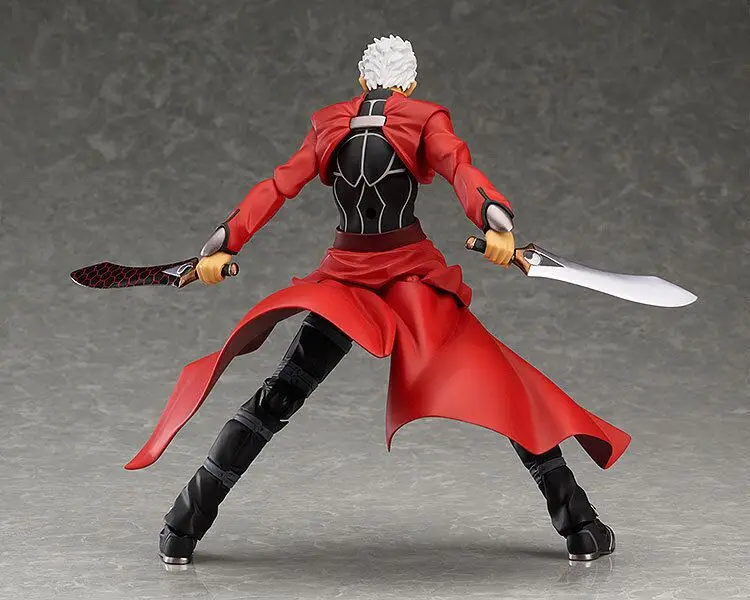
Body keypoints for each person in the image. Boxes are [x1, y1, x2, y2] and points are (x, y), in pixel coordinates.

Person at [125, 35, 629, 565]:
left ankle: (181, 526)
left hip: (346, 280)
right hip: (410, 281)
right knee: (501, 387)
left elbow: (277, 186)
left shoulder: (330, 123)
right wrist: (493, 219)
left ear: (363, 80)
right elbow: (459, 169)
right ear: (409, 83)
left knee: (280, 394)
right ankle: (580, 525)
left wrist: (224, 242)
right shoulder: (423, 118)